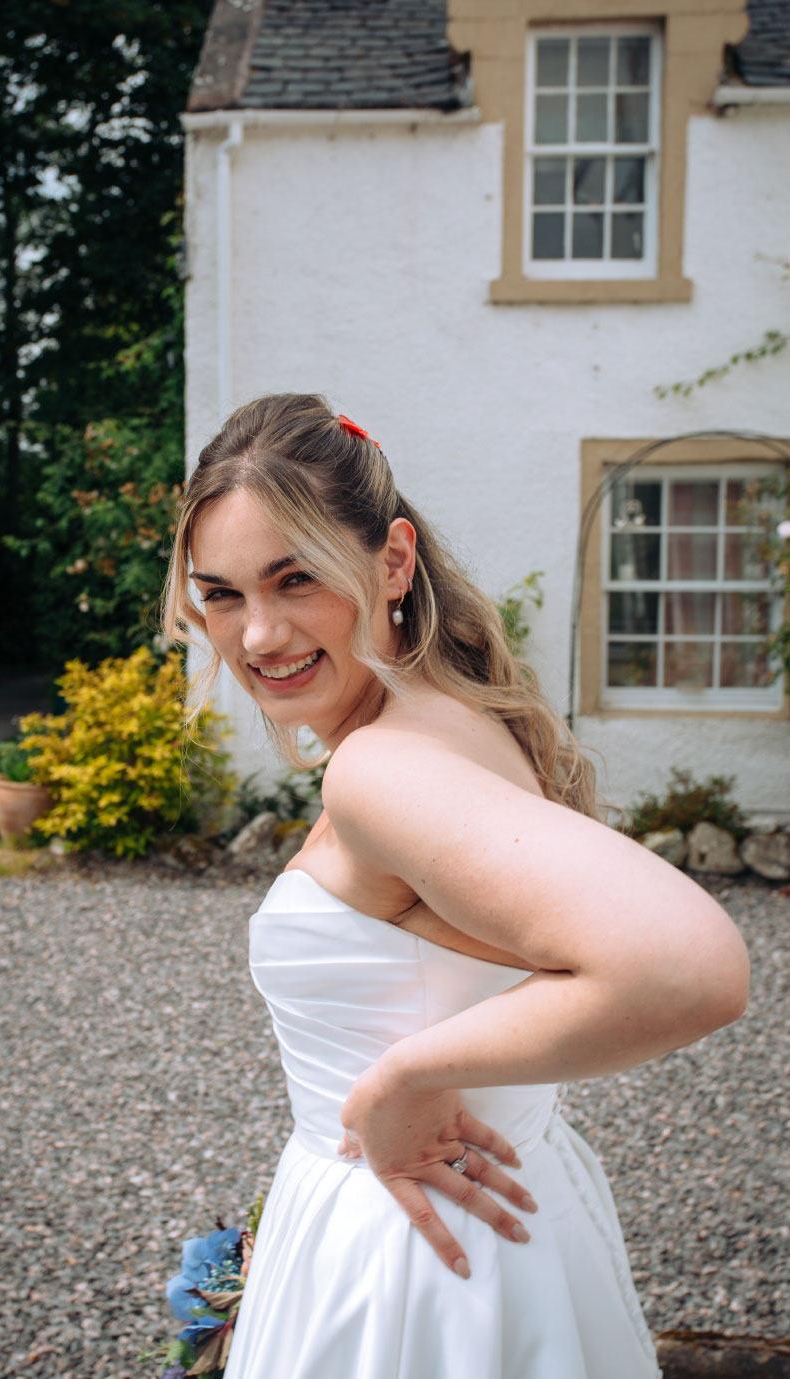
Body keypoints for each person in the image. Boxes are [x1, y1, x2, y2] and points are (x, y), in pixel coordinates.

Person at [161, 393, 749, 1379]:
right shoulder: (452, 716)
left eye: (293, 577)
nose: (256, 633)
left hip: (411, 1263)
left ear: (392, 561)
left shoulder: (378, 768)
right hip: (489, 1219)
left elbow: (693, 968)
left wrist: (400, 1080)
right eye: (220, 593)